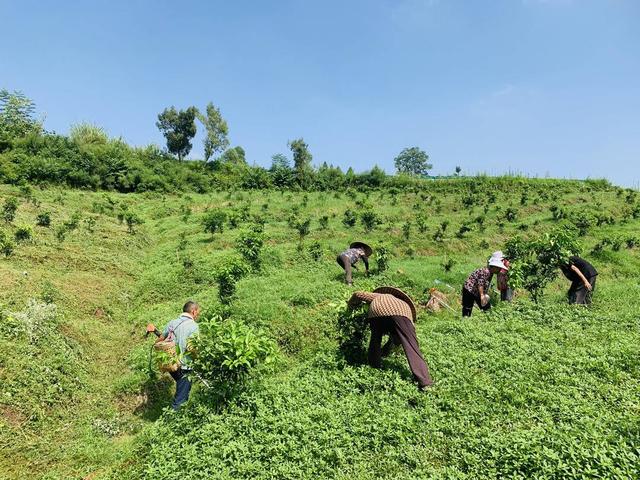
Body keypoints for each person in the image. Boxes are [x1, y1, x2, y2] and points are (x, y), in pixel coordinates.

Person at [347, 286, 433, 390]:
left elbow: (358, 294)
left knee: (375, 340)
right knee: (411, 345)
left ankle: (374, 366)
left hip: (376, 312)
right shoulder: (402, 303)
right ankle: (424, 382)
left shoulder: (379, 296)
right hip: (401, 314)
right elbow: (404, 334)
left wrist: (350, 306)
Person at [146, 301, 201, 410]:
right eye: (198, 312)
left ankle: (178, 414)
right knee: (181, 398)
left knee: (182, 388)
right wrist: (200, 359)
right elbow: (192, 347)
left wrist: (155, 332)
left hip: (171, 364)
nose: (198, 315)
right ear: (193, 311)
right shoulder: (193, 326)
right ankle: (174, 420)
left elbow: (162, 338)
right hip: (184, 366)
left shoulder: (172, 322)